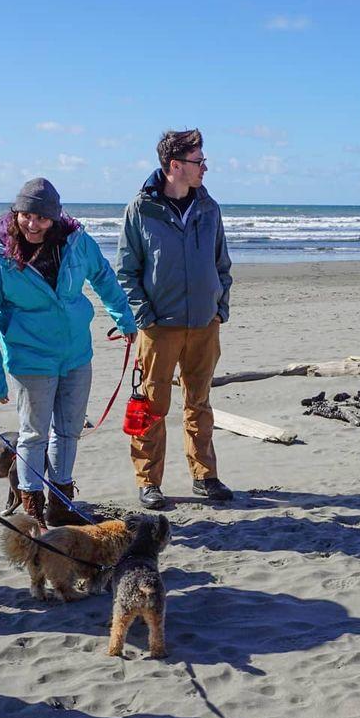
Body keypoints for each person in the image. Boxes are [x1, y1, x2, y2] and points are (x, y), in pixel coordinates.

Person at [0, 178, 137, 529]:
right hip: (30, 359)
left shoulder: (77, 242)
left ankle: (60, 504)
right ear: (16, 212)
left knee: (68, 430)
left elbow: (104, 278)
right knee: (33, 434)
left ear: (55, 218)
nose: (33, 224)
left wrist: (124, 318)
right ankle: (33, 507)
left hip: (76, 354)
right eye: (26, 215)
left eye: (42, 218)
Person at [116, 129, 234, 510]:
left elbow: (222, 263)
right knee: (152, 404)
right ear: (175, 166)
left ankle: (204, 476)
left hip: (204, 323)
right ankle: (149, 481)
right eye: (199, 162)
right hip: (159, 326)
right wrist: (143, 317)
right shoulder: (141, 209)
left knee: (199, 402)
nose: (205, 168)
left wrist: (220, 306)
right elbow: (126, 270)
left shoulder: (208, 207)